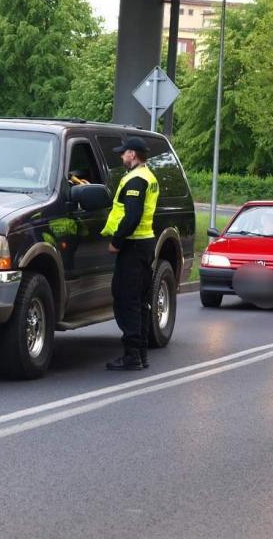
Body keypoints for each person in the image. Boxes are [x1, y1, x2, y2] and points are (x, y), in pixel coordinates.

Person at [101, 136, 160, 371]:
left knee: (127, 300)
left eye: (124, 153)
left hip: (133, 247)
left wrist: (117, 241)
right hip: (145, 244)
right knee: (140, 300)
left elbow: (132, 216)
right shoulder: (148, 176)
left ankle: (132, 355)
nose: (121, 156)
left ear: (133, 155)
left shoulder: (136, 180)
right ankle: (141, 354)